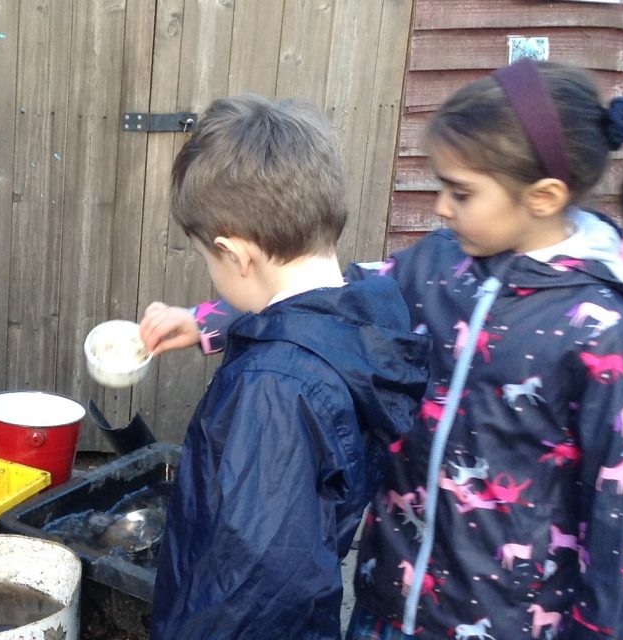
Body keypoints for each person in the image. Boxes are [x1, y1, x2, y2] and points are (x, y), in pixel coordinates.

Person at [142, 60, 623, 639]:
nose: (440, 207)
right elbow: (329, 296)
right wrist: (209, 320)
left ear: (541, 196)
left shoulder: (600, 331)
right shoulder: (439, 265)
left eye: (460, 193)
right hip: (388, 592)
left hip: (506, 619)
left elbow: (619, 508)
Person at [146, 95, 430, 640]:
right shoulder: (364, 314)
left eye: (209, 259)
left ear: (235, 254)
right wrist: (206, 320)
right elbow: (301, 312)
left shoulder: (274, 389)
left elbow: (253, 586)